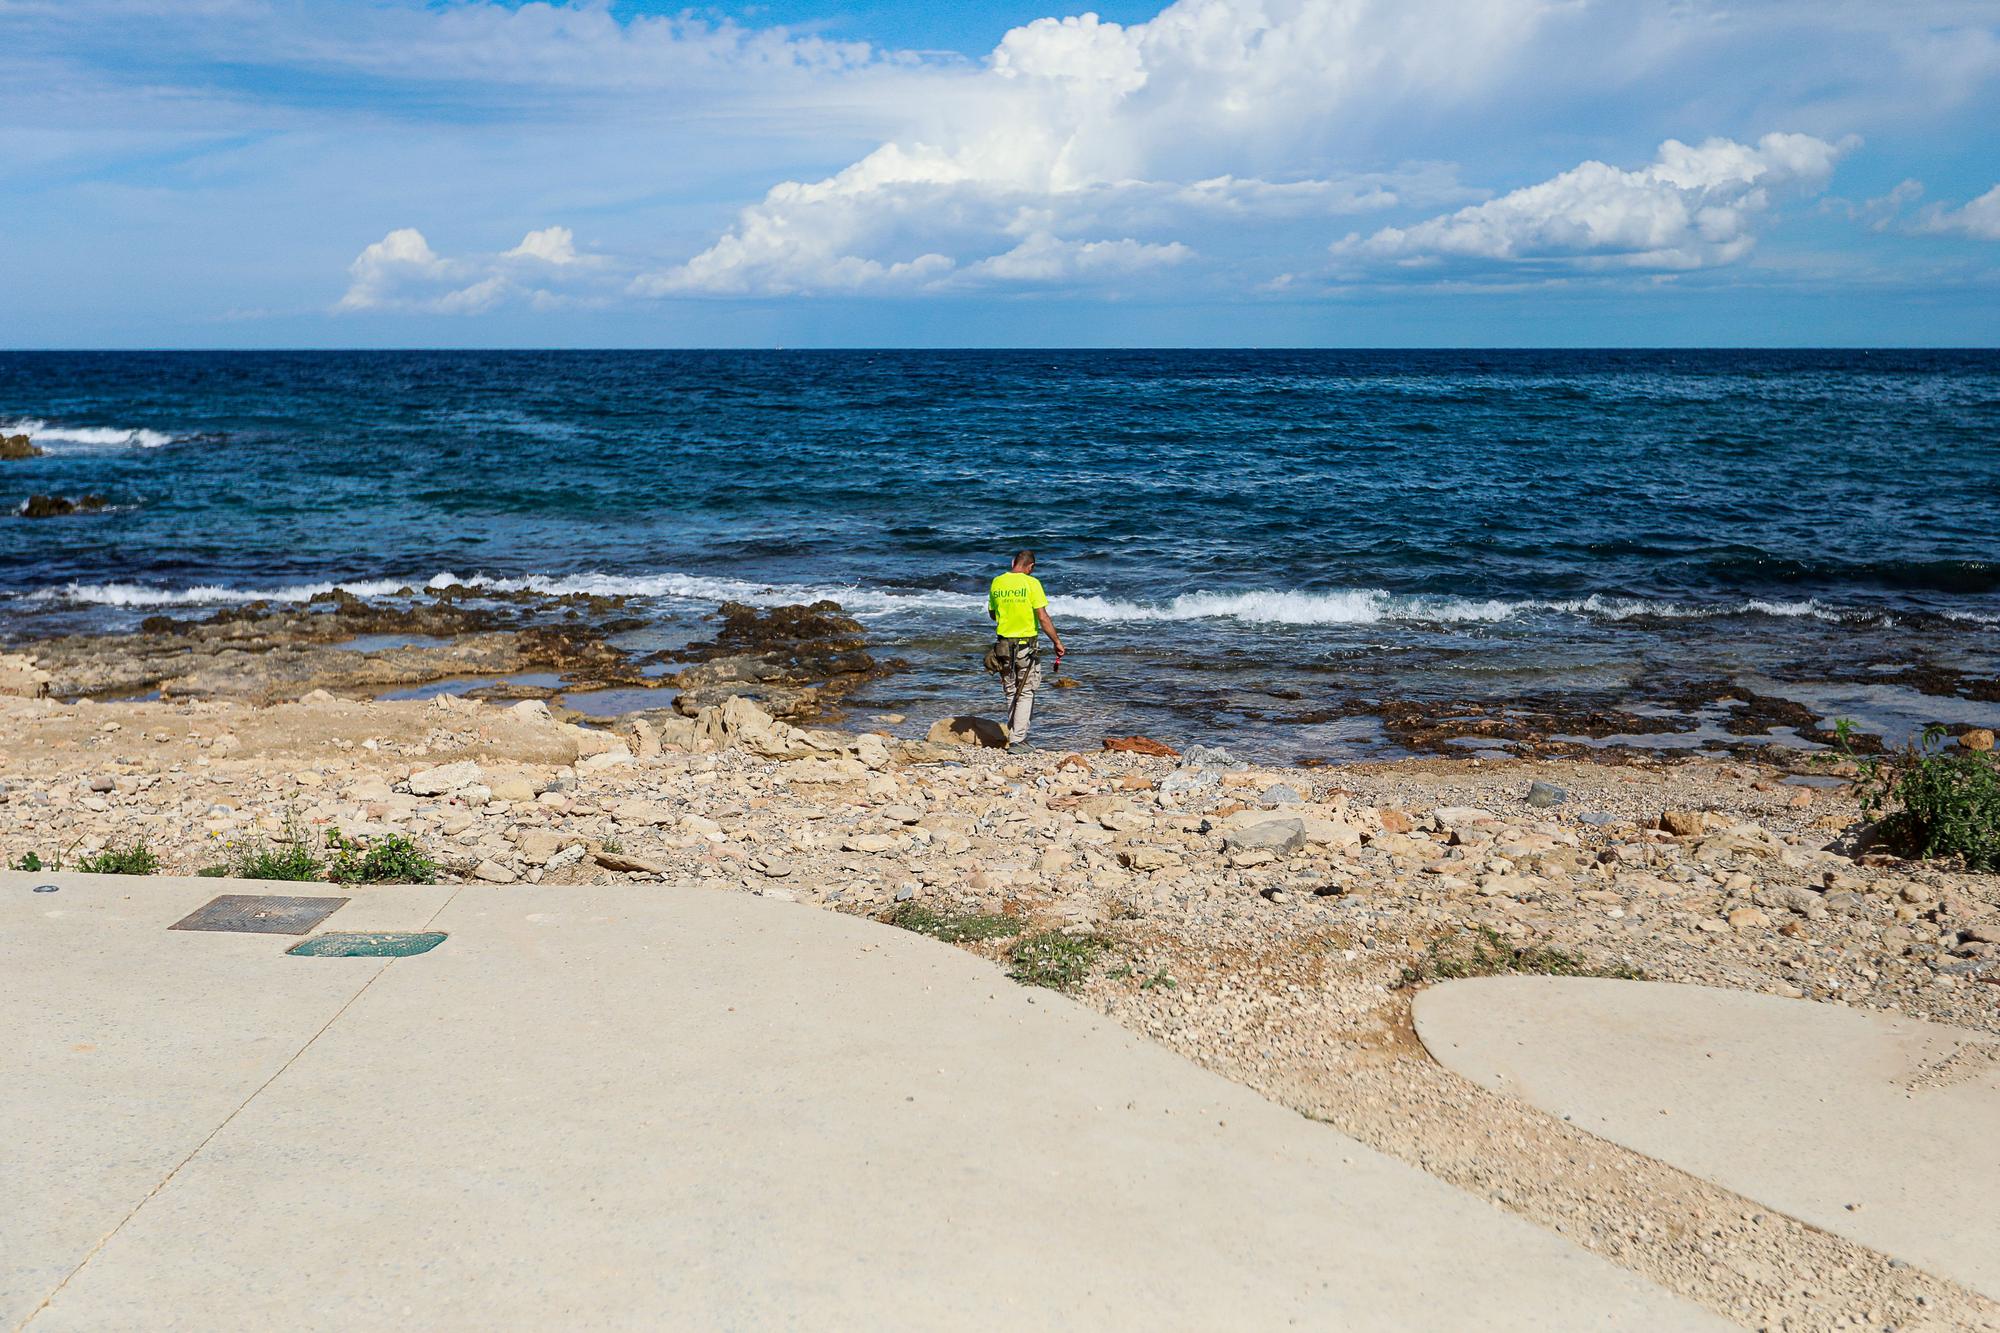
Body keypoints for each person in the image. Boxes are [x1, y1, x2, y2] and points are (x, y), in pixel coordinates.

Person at [987, 549, 1065, 747]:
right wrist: (1056, 641)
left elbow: (993, 614)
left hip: (1003, 646)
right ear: (1031, 567)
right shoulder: (1032, 583)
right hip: (1025, 646)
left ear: (1013, 562)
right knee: (1026, 691)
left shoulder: (997, 581)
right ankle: (1018, 740)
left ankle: (1014, 735)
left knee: (1011, 691)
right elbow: (1042, 617)